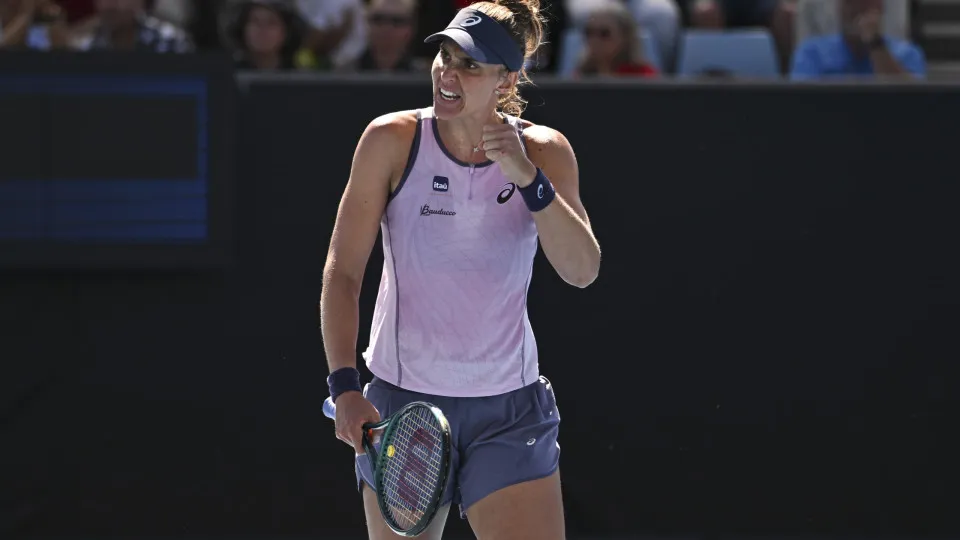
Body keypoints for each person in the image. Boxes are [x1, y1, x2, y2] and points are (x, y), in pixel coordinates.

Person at [319, 0, 602, 538]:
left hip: (509, 410)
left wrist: (526, 176)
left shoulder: (544, 151)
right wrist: (345, 385)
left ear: (506, 80)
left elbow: (582, 269)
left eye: (470, 65)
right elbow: (344, 271)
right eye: (445, 57)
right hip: (403, 404)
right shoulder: (390, 140)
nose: (448, 74)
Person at [790, 0, 925, 80]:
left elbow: (912, 104)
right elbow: (801, 104)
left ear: (880, 7)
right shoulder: (812, 52)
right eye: (849, 2)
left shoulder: (907, 54)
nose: (856, 10)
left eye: (865, 2)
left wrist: (875, 43)